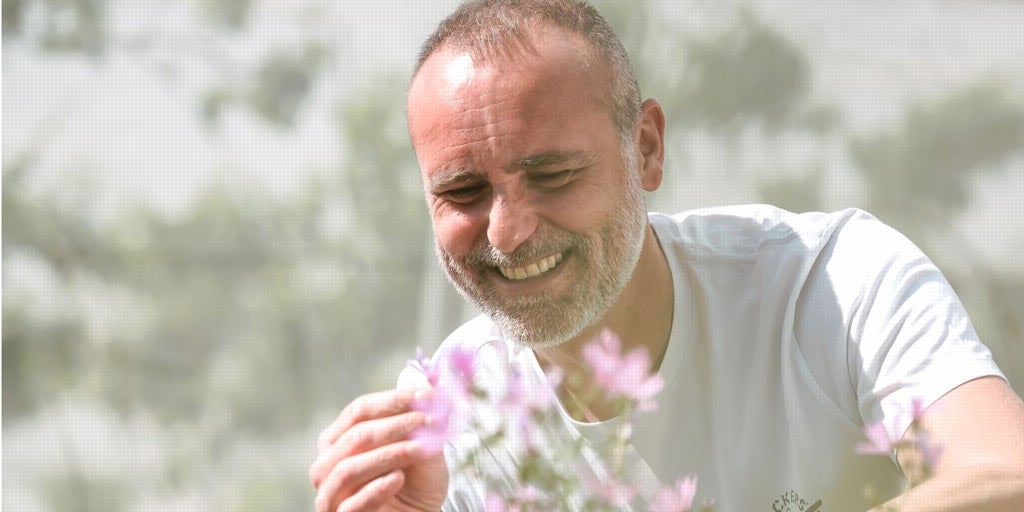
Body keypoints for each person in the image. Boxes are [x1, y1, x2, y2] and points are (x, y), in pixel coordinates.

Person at [310, 1, 1024, 510]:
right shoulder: (450, 430)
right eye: (463, 191)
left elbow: (1004, 475)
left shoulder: (831, 281)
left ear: (646, 147)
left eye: (552, 175)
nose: (506, 232)